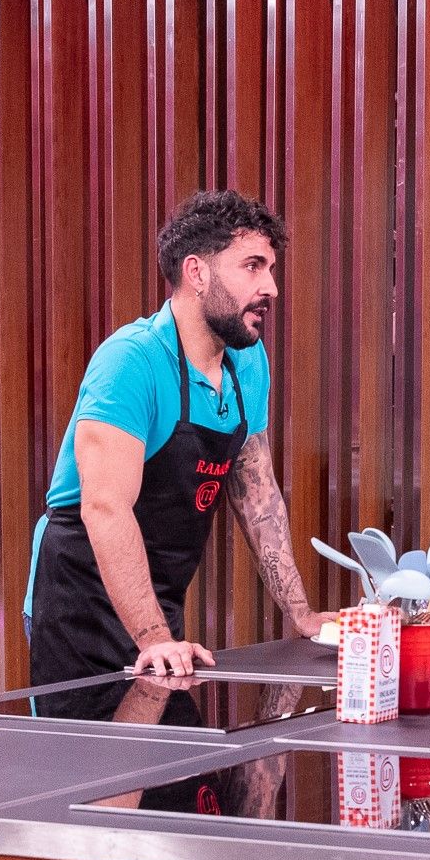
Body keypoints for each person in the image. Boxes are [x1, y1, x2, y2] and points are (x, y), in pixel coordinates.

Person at [23, 190, 322, 686]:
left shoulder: (248, 361)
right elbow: (105, 508)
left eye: (271, 269)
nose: (270, 286)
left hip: (159, 605)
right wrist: (153, 638)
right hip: (77, 603)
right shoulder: (130, 360)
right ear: (196, 273)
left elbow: (259, 499)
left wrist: (302, 615)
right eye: (252, 266)